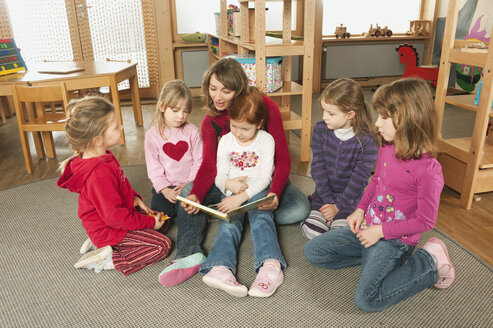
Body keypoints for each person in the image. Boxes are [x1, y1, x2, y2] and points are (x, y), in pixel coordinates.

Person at [304, 78, 454, 312]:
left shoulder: (429, 171)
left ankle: (429, 261)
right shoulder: (387, 145)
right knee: (313, 251)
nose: (376, 124)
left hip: (395, 240)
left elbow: (425, 221)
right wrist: (360, 209)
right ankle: (378, 262)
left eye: (383, 118)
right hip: (368, 228)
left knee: (367, 299)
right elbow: (376, 182)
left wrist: (380, 232)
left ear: (408, 118)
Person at [158, 57, 310, 287]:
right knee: (188, 193)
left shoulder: (265, 108)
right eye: (213, 88)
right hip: (227, 184)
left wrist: (275, 193)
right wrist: (197, 195)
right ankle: (189, 253)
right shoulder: (211, 121)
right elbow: (210, 166)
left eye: (226, 90)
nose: (217, 96)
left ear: (238, 89)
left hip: (262, 182)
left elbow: (282, 159)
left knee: (300, 208)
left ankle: (235, 213)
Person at [57, 96, 171, 275]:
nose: (121, 127)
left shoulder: (103, 155)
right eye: (116, 126)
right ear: (97, 139)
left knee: (162, 222)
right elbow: (115, 218)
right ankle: (108, 257)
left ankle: (103, 243)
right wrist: (148, 222)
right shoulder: (98, 173)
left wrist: (133, 198)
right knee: (162, 246)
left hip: (113, 217)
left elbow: (118, 186)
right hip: (110, 227)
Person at [199, 89, 285, 298]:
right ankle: (219, 268)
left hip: (256, 191)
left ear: (259, 123)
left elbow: (265, 178)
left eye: (245, 129)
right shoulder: (227, 141)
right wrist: (228, 184)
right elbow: (219, 175)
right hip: (231, 193)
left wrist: (242, 197)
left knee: (262, 219)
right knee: (230, 225)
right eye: (235, 126)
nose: (238, 133)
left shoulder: (266, 140)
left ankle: (271, 265)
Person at [300, 78, 378, 239]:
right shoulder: (321, 130)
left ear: (350, 114)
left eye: (331, 113)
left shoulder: (367, 141)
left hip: (350, 200)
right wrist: (328, 202)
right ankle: (322, 217)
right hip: (323, 195)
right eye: (323, 111)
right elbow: (318, 167)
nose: (324, 117)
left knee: (339, 235)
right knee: (313, 233)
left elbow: (360, 179)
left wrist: (338, 206)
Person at [145, 80, 203, 226]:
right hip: (165, 187)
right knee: (158, 221)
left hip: (188, 185)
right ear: (162, 106)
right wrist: (164, 189)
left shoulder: (193, 132)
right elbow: (153, 167)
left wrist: (188, 184)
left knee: (192, 215)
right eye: (175, 110)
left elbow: (199, 162)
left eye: (185, 111)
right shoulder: (152, 135)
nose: (181, 116)